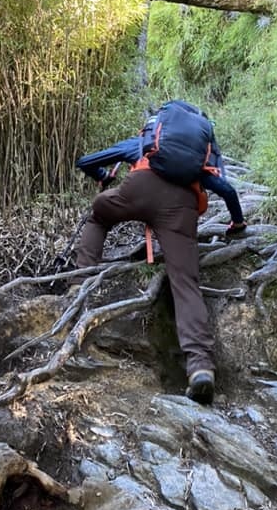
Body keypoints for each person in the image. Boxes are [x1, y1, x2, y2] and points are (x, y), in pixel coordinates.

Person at [74, 104, 247, 405]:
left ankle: (80, 282)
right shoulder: (195, 159)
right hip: (180, 209)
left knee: (99, 215)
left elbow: (85, 161)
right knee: (185, 283)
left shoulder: (145, 144)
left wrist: (102, 176)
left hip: (137, 191)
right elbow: (227, 191)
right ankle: (200, 368)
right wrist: (237, 222)